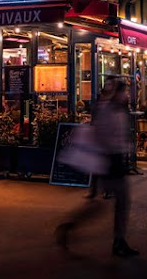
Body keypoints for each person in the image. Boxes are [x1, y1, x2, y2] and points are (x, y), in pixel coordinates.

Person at [55, 77, 139, 258]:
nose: (127, 95)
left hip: (112, 160)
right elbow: (103, 136)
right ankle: (115, 240)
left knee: (111, 203)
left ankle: (74, 227)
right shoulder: (109, 110)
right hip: (110, 161)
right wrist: (114, 151)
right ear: (119, 93)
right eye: (125, 92)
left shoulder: (116, 110)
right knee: (116, 202)